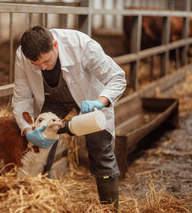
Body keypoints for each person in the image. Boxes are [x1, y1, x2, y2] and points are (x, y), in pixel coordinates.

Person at [11, 25, 126, 210]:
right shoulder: (23, 56)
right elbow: (22, 98)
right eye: (36, 64)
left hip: (89, 98)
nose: (42, 67)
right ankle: (41, 204)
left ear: (55, 45)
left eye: (47, 61)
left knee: (100, 148)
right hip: (52, 100)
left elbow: (118, 77)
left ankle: (110, 208)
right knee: (40, 147)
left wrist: (100, 101)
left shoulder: (82, 46)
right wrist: (27, 130)